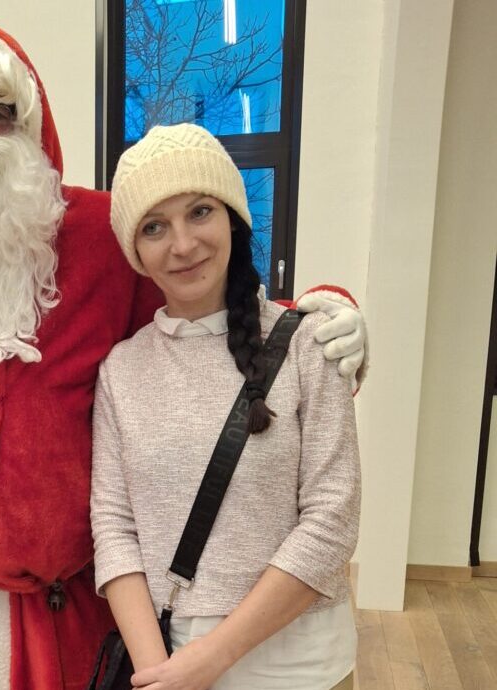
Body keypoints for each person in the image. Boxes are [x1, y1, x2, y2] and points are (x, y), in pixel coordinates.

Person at [0, 16, 366, 690]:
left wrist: (326, 307)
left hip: (75, 615)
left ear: (29, 126)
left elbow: (204, 305)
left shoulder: (96, 240)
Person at [91, 124, 359, 690]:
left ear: (233, 218)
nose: (183, 244)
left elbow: (332, 520)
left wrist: (213, 657)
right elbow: (114, 528)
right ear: (135, 252)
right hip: (168, 660)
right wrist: (154, 669)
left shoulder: (311, 343)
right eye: (154, 227)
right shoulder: (122, 371)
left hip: (302, 661)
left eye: (200, 212)